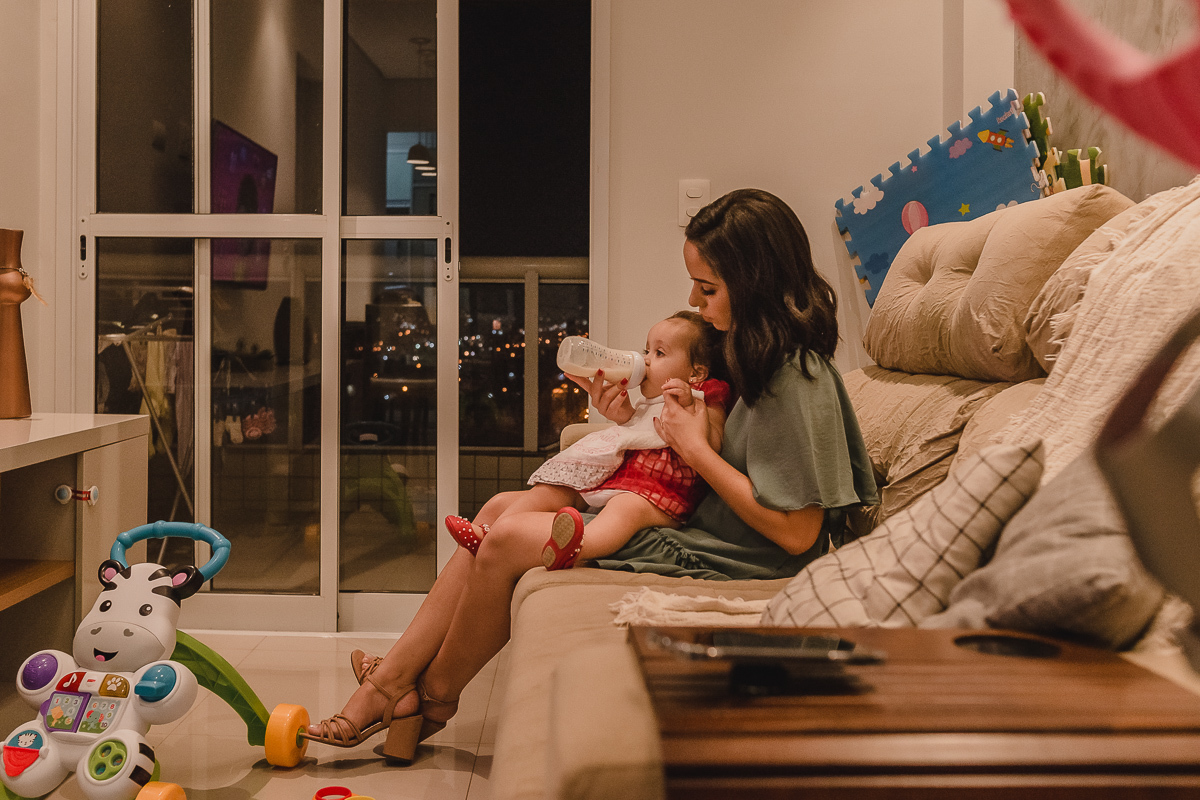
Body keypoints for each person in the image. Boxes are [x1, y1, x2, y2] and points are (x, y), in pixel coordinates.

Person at [301, 188, 878, 763]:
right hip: (701, 524)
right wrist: (631, 418)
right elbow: (687, 425)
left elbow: (799, 533)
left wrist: (695, 451)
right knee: (502, 507)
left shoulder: (798, 379)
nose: (695, 301)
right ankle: (392, 683)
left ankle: (427, 695)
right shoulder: (746, 354)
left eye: (708, 289)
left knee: (505, 540)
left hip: (738, 555)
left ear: (754, 282)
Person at [443, 310, 733, 572]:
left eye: (659, 353)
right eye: (646, 350)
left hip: (662, 497)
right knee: (558, 490)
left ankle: (578, 547)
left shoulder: (704, 395)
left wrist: (691, 411)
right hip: (623, 482)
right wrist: (626, 416)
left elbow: (715, 442)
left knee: (625, 511)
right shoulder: (651, 402)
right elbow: (644, 433)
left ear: (697, 373)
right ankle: (489, 534)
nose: (645, 360)